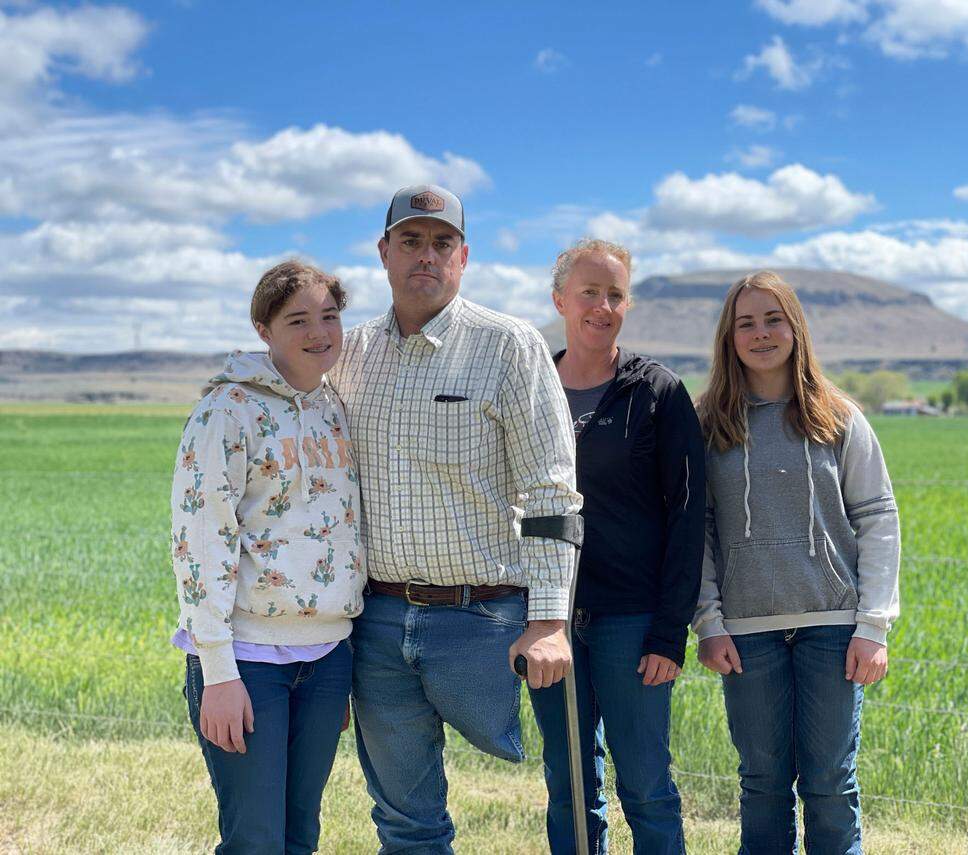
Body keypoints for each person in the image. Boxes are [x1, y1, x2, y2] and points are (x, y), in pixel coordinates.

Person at [325, 184, 582, 853]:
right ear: (383, 251)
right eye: (410, 240)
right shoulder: (346, 356)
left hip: (482, 619)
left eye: (442, 243)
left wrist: (550, 621)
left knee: (567, 785)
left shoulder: (509, 346)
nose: (426, 256)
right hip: (377, 623)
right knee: (406, 821)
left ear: (463, 256)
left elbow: (551, 492)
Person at [693, 271, 900, 855]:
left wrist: (873, 626)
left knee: (831, 782)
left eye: (773, 319)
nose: (761, 334)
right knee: (762, 784)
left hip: (834, 628)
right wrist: (708, 622)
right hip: (746, 633)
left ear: (796, 327)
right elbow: (697, 532)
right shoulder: (708, 422)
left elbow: (878, 517)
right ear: (728, 337)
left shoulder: (838, 417)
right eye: (746, 323)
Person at [171, 260, 366, 854]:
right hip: (247, 660)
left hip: (328, 657)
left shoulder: (335, 405)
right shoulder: (226, 411)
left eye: (329, 317)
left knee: (300, 835)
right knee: (255, 840)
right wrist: (219, 675)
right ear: (264, 329)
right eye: (298, 320)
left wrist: (337, 656)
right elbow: (200, 543)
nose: (319, 332)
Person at [529, 239, 705, 854]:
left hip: (632, 621)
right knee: (570, 783)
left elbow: (689, 520)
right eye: (589, 293)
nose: (602, 306)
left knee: (646, 785)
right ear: (560, 301)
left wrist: (668, 632)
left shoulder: (658, 393)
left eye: (615, 295)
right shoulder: (532, 390)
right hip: (549, 619)